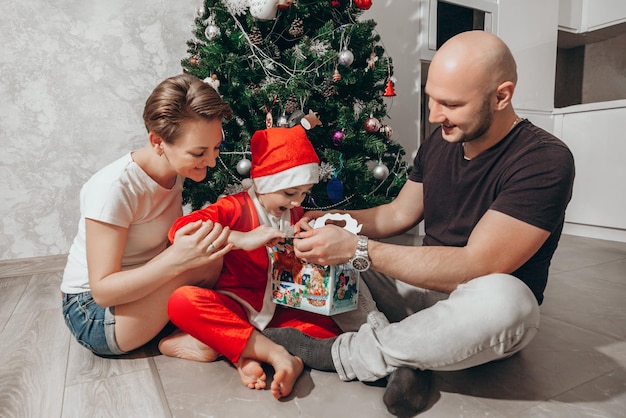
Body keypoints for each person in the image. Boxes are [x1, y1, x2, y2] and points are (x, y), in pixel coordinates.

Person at [262, 30, 576, 416]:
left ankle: (343, 354)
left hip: (475, 309)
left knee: (510, 302)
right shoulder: (441, 141)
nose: (433, 116)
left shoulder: (544, 159)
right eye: (431, 99)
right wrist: (338, 222)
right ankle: (409, 358)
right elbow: (397, 214)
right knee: (327, 258)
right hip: (419, 290)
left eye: (450, 104)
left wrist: (359, 249)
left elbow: (477, 266)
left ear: (501, 96)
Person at [61, 74, 234, 358]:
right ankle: (185, 331)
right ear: (158, 142)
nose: (212, 161)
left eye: (216, 148)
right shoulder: (114, 188)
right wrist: (177, 258)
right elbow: (103, 291)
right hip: (93, 313)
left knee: (211, 257)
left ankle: (182, 333)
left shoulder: (176, 172)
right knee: (199, 261)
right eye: (198, 152)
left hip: (140, 291)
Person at [164, 126, 344, 400]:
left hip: (281, 312)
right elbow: (180, 231)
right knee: (182, 301)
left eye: (304, 193)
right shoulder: (233, 207)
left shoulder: (294, 211)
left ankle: (241, 350)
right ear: (265, 183)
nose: (297, 201)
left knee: (330, 325)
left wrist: (307, 229)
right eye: (289, 193)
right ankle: (274, 354)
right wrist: (240, 238)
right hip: (235, 306)